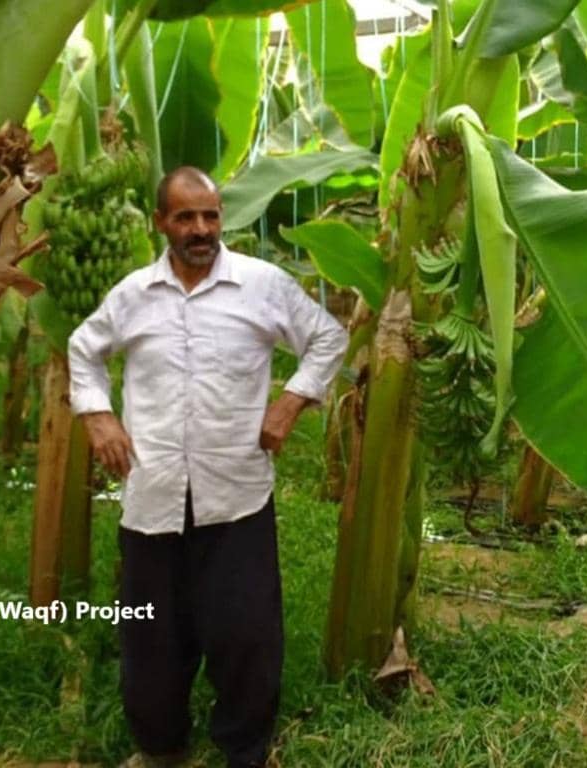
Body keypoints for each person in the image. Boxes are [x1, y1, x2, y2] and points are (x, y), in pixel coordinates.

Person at [67, 167, 348, 768]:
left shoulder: (261, 286)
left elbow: (327, 337)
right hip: (154, 495)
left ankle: (245, 752)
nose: (201, 229)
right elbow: (83, 350)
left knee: (244, 635)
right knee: (150, 638)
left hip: (236, 494)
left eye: (211, 216)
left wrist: (291, 401)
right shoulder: (133, 295)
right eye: (186, 217)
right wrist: (97, 417)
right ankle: (160, 749)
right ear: (161, 222)